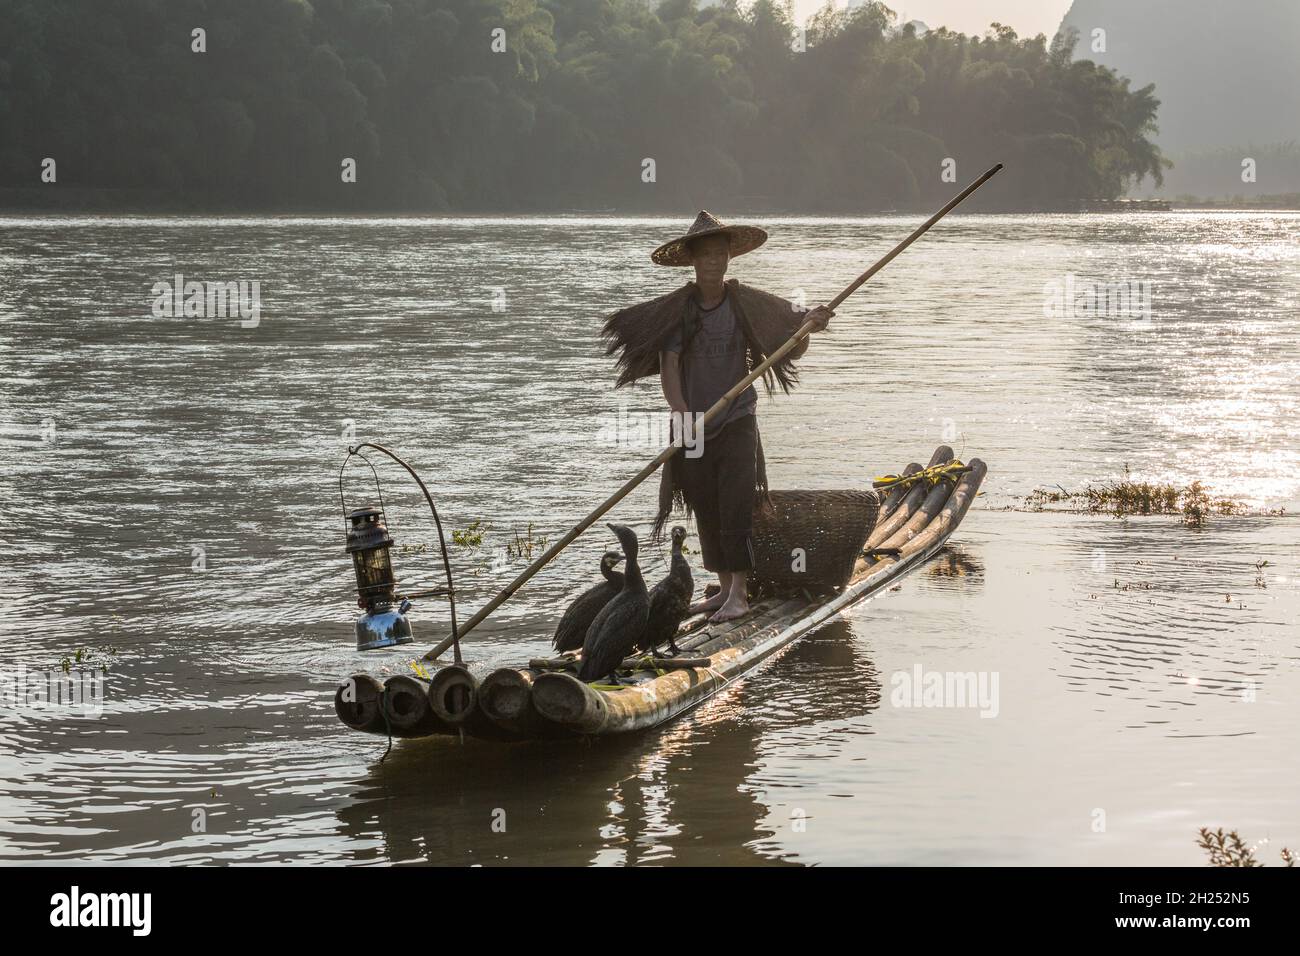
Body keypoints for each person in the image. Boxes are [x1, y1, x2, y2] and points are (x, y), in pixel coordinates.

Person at [601, 211, 833, 622]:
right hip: (693, 423)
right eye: (705, 255)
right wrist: (684, 414)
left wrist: (809, 325)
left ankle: (739, 594)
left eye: (719, 254)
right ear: (693, 261)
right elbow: (670, 367)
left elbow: (790, 338)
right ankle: (723, 588)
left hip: (737, 417)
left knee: (735, 502)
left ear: (729, 257)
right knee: (704, 503)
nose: (713, 262)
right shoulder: (680, 312)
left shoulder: (745, 303)